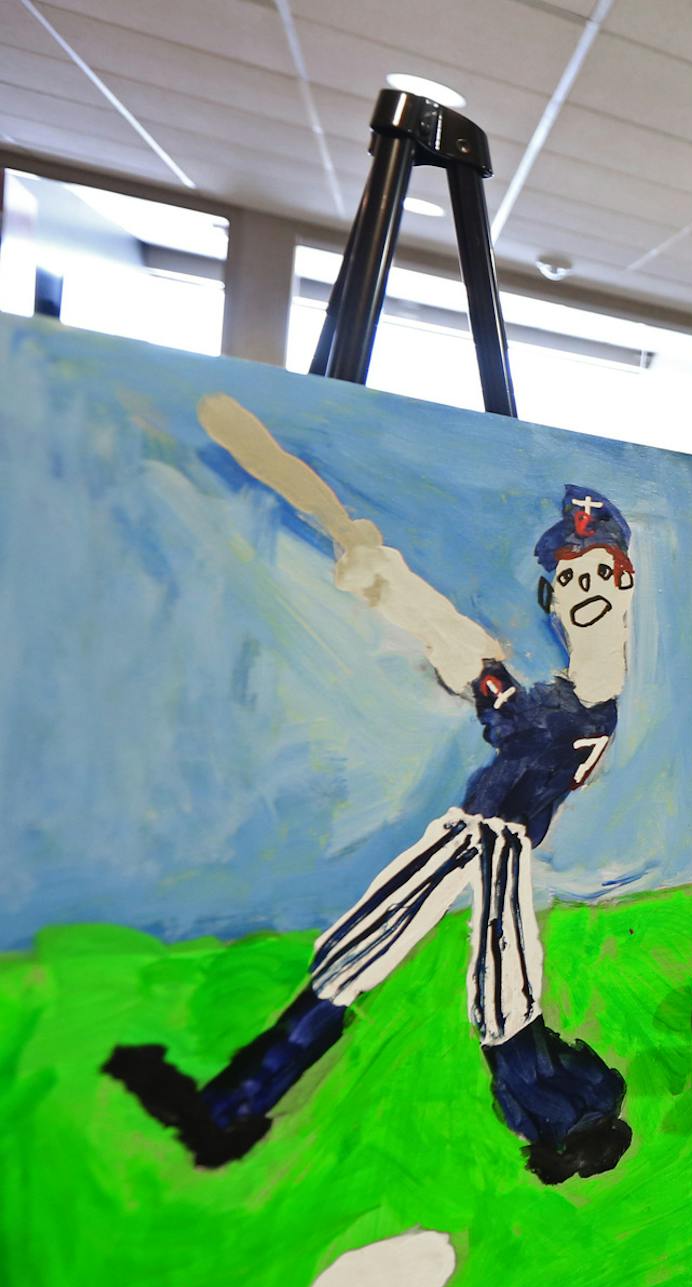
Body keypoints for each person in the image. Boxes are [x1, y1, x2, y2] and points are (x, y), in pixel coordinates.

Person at [105, 394, 636, 1185]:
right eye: (571, 578)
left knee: (498, 988)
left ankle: (565, 1122)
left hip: (491, 844)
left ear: (623, 586)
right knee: (362, 958)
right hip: (470, 838)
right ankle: (228, 1110)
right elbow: (469, 657)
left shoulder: (580, 701)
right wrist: (385, 578)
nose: (587, 585)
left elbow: (518, 682)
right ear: (551, 602)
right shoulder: (549, 697)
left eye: (602, 573)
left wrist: (398, 588)